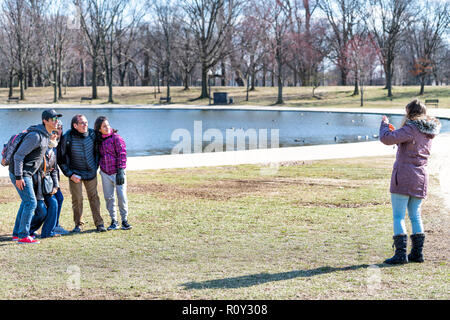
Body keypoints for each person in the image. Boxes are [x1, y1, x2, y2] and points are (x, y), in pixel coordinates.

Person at [379, 99, 441, 264]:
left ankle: (400, 255)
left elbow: (386, 139)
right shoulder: (428, 131)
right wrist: (397, 133)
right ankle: (417, 253)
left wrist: (385, 124)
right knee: (415, 215)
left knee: (398, 216)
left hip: (404, 175)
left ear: (410, 113)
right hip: (421, 177)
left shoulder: (410, 128)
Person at [10, 109, 61, 244]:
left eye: (57, 119)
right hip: (21, 173)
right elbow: (18, 156)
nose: (56, 122)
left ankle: (17, 234)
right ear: (45, 121)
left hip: (26, 173)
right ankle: (23, 236)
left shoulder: (45, 135)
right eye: (53, 119)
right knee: (31, 202)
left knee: (26, 202)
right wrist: (19, 176)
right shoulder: (36, 136)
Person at [58, 114, 106, 233]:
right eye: (82, 123)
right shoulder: (67, 137)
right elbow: (61, 159)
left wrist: (95, 167)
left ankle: (99, 224)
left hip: (91, 173)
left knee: (94, 197)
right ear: (75, 125)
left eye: (86, 122)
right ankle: (78, 224)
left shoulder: (92, 134)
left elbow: (98, 150)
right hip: (75, 174)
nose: (85, 125)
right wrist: (70, 174)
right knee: (77, 199)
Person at [94, 116, 132, 231]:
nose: (107, 127)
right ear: (99, 129)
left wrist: (120, 170)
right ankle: (114, 221)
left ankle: (124, 220)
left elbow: (122, 154)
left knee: (121, 195)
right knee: (109, 197)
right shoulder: (98, 141)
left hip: (118, 172)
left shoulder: (116, 138)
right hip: (105, 173)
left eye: (108, 125)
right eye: (104, 126)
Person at [29, 130, 61, 238]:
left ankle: (48, 232)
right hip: (36, 185)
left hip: (47, 184)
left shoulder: (53, 151)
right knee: (42, 212)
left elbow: (54, 170)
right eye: (52, 132)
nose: (55, 135)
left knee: (54, 203)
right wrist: (40, 173)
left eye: (56, 133)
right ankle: (27, 231)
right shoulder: (39, 148)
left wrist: (56, 186)